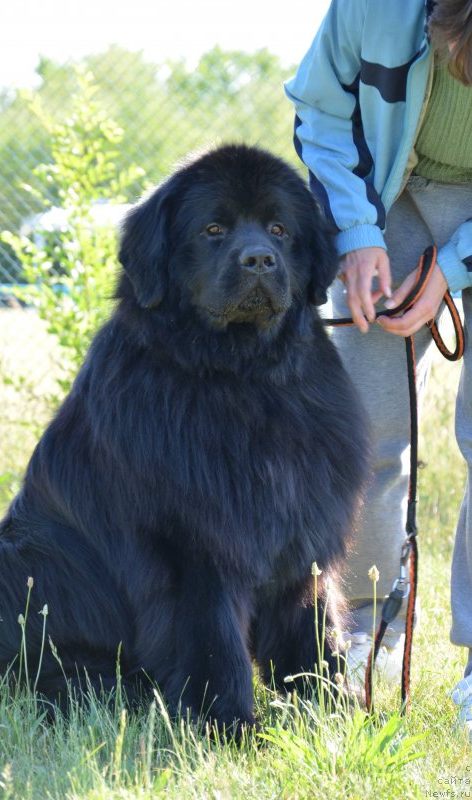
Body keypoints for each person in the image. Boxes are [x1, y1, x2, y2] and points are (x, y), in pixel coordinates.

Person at [285, 0, 472, 734]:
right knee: (366, 428)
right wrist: (357, 235)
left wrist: (451, 271)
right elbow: (320, 111)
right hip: (387, 194)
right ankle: (363, 628)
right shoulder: (372, 5)